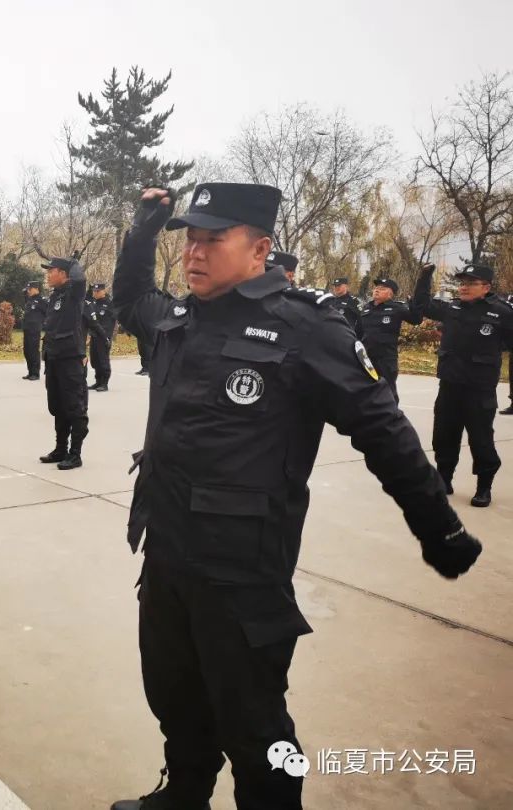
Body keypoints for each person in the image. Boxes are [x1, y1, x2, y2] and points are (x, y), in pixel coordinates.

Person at [111, 183, 482, 810]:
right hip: (167, 549)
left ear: (260, 249)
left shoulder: (304, 327)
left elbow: (382, 429)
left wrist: (439, 529)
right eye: (190, 240)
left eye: (211, 240)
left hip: (241, 567)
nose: (194, 254)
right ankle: (184, 793)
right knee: (174, 692)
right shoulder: (181, 317)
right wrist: (143, 230)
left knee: (255, 724)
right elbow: (129, 299)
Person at [412, 262, 513, 507]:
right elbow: (422, 306)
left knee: (481, 440)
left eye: (470, 283)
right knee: (444, 436)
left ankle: (484, 487)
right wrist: (424, 277)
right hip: (450, 386)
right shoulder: (451, 308)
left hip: (479, 390)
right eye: (462, 283)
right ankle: (444, 480)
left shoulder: (502, 312)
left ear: (486, 287)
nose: (464, 287)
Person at [39, 254, 92, 471]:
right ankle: (60, 448)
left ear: (63, 274)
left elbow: (79, 281)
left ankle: (75, 453)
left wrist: (73, 264)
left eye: (51, 271)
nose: (48, 275)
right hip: (54, 357)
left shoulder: (74, 294)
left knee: (74, 407)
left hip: (70, 358)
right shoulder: (56, 295)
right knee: (58, 406)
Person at [358, 277, 423, 402]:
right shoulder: (366, 308)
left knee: (387, 392)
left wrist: (413, 304)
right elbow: (358, 332)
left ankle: (391, 418)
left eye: (382, 289)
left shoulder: (396, 308)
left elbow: (416, 319)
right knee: (366, 391)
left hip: (386, 358)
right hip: (367, 358)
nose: (376, 291)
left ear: (390, 293)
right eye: (376, 288)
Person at [87, 282, 116, 391]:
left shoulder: (110, 304)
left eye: (98, 291)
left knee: (103, 360)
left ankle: (104, 383)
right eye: (94, 291)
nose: (95, 293)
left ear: (103, 291)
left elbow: (113, 321)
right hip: (94, 336)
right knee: (95, 360)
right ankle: (98, 381)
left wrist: (108, 336)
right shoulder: (93, 303)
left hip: (104, 337)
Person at [21, 281, 47, 380]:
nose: (28, 291)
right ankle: (30, 371)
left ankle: (35, 373)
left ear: (36, 289)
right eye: (28, 289)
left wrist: (45, 325)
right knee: (27, 351)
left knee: (34, 351)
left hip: (35, 330)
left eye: (30, 289)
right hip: (27, 329)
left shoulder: (42, 300)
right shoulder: (29, 300)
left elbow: (48, 313)